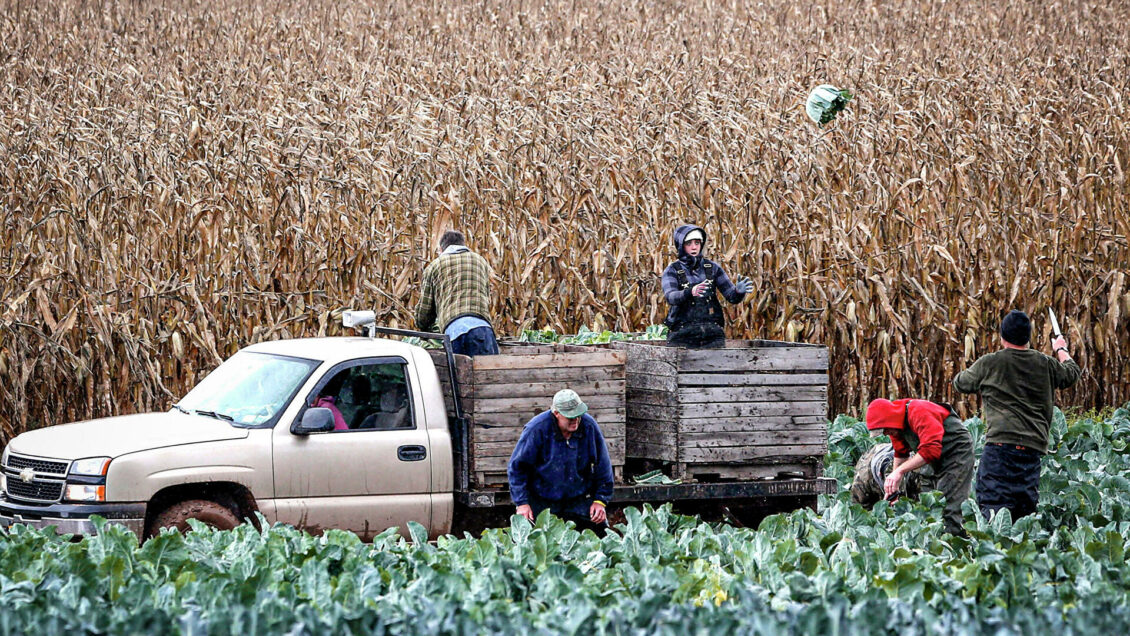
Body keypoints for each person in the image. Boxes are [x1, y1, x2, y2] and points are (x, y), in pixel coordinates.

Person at [953, 309, 1082, 522]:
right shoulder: (1045, 363)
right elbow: (1071, 372)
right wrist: (1061, 349)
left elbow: (960, 383)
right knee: (1024, 516)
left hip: (999, 450)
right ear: (1028, 337)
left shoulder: (990, 363)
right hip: (1030, 453)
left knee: (993, 512)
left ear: (1002, 337)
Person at [859, 398, 975, 536]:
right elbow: (901, 454)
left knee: (948, 506)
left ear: (890, 420)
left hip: (956, 453)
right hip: (930, 457)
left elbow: (931, 450)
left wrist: (900, 472)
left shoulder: (918, 411)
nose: (885, 434)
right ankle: (929, 546)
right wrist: (893, 488)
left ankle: (952, 544)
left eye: (885, 430)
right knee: (926, 504)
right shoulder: (895, 428)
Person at [508, 389, 615, 534]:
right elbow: (517, 468)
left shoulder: (589, 426)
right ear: (556, 413)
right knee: (529, 543)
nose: (576, 420)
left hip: (578, 498)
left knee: (603, 539)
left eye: (578, 415)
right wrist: (521, 503)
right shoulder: (537, 429)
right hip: (542, 499)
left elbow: (603, 466)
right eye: (570, 417)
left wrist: (600, 500)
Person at [661, 224, 753, 349]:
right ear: (681, 245)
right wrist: (689, 292)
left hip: (712, 335)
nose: (694, 247)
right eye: (689, 243)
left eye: (697, 243)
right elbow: (670, 296)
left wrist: (738, 292)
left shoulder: (712, 268)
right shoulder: (673, 270)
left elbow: (732, 297)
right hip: (681, 336)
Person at [415, 229, 499, 356]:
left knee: (458, 374)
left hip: (454, 333)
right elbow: (486, 296)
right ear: (463, 245)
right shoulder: (480, 261)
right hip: (482, 330)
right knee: (487, 374)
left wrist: (424, 328)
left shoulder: (434, 266)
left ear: (442, 249)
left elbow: (424, 311)